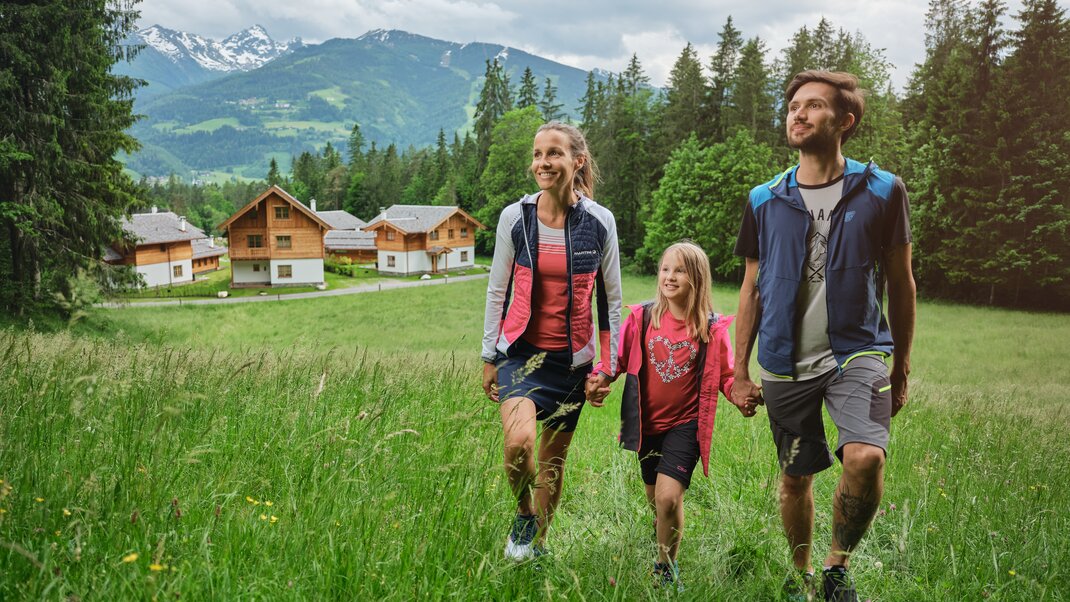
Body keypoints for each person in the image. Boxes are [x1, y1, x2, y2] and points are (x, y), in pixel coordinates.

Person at [731, 70, 916, 602]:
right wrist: (740, 370)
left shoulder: (882, 190)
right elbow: (750, 287)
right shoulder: (765, 198)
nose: (797, 113)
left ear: (845, 121)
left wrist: (900, 366)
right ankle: (801, 575)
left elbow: (901, 284)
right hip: (785, 360)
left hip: (858, 350)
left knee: (864, 457)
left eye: (813, 105)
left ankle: (837, 565)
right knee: (795, 477)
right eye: (793, 104)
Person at [481, 121, 622, 561]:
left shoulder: (600, 222)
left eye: (554, 153)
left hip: (570, 365)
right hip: (520, 356)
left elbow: (611, 303)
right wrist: (489, 354)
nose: (543, 162)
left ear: (576, 161)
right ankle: (524, 514)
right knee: (518, 444)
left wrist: (606, 366)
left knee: (552, 463)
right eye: (539, 154)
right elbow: (496, 289)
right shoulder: (515, 218)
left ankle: (538, 546)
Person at [586, 241, 756, 590]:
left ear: (696, 278)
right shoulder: (642, 318)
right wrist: (600, 379)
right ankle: (664, 529)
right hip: (647, 425)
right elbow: (616, 360)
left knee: (667, 497)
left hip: (686, 424)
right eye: (665, 269)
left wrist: (739, 396)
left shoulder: (710, 329)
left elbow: (725, 376)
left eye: (679, 270)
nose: (670, 276)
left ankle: (666, 567)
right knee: (655, 499)